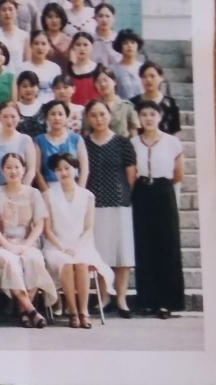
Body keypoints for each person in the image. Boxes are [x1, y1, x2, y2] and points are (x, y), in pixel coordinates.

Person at [42, 152, 115, 329]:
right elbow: (47, 230)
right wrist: (63, 247)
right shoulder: (48, 195)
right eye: (59, 169)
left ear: (75, 169)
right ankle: (73, 312)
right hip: (56, 246)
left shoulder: (87, 196)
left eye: (67, 168)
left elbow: (88, 227)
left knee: (81, 262)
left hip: (82, 244)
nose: (63, 173)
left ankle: (84, 311)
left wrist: (76, 246)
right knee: (66, 263)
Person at [0, 153, 55, 327]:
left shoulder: (34, 193)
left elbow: (39, 225)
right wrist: (8, 245)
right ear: (2, 171)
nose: (13, 171)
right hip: (3, 243)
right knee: (8, 260)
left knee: (34, 259)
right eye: (8, 167)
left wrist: (25, 245)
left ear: (24, 169)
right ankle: (31, 310)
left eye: (17, 167)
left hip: (27, 241)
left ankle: (23, 310)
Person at [130, 101, 185, 318]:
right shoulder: (133, 143)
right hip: (142, 192)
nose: (148, 118)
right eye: (144, 114)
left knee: (167, 245)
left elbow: (179, 174)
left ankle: (167, 302)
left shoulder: (172, 142)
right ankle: (148, 300)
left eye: (153, 114)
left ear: (159, 116)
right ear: (139, 118)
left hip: (163, 192)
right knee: (144, 245)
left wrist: (163, 189)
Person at [83, 100, 137, 318]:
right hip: (95, 204)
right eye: (94, 115)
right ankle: (104, 296)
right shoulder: (84, 144)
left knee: (122, 253)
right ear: (88, 118)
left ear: (109, 115)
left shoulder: (123, 143)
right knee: (102, 253)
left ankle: (121, 298)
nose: (98, 119)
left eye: (102, 114)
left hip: (119, 203)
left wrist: (122, 193)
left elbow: (131, 175)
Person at [34, 100, 89, 191]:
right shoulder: (39, 140)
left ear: (67, 117)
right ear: (46, 117)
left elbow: (84, 169)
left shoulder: (76, 139)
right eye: (53, 114)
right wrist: (47, 193)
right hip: (49, 188)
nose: (57, 118)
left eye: (60, 114)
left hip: (74, 188)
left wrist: (80, 191)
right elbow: (37, 171)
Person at [0, 101, 39, 188]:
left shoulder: (26, 140)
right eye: (5, 117)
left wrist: (21, 191)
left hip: (22, 193)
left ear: (19, 117)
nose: (9, 120)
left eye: (13, 116)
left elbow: (31, 171)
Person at [132, 62, 182, 134]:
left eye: (152, 76)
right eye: (144, 76)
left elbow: (174, 130)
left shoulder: (171, 104)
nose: (148, 80)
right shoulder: (133, 103)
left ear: (161, 78)